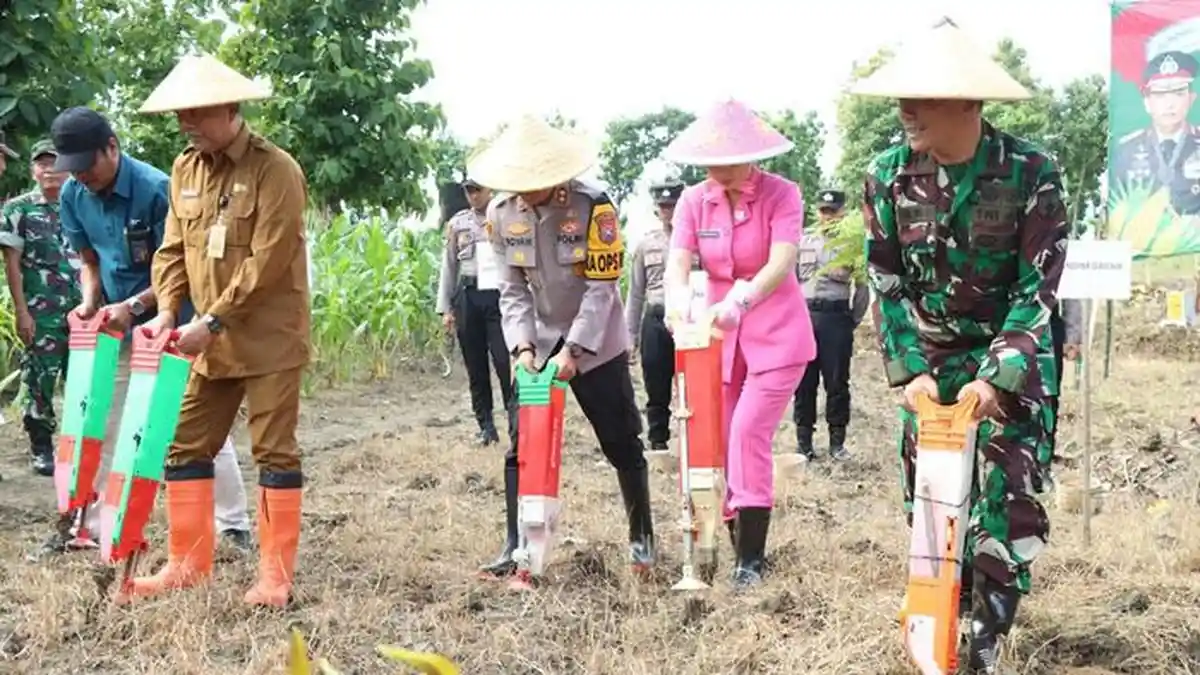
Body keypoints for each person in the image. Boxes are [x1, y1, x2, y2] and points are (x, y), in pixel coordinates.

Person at [852, 17, 1065, 673]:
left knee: (1004, 511)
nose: (906, 111)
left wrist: (995, 380)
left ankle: (984, 644)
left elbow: (1038, 288)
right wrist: (911, 373)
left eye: (924, 97)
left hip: (1011, 371)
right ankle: (938, 632)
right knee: (936, 512)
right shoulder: (885, 178)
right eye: (902, 97)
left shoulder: (1033, 173)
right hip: (933, 374)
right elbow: (886, 286)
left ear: (969, 102)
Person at [123, 52, 311, 607]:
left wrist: (213, 319)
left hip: (269, 337)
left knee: (273, 451)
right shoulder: (184, 169)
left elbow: (268, 260)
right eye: (180, 114)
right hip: (211, 338)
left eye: (196, 113)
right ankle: (187, 562)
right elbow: (173, 250)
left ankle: (275, 575)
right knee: (186, 443)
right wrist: (166, 311)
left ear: (229, 109)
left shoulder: (276, 169)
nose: (186, 123)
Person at [36, 106, 251, 560]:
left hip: (175, 325)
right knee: (105, 421)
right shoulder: (75, 193)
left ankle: (232, 526)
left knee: (194, 424)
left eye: (88, 165)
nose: (81, 178)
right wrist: (90, 303)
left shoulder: (156, 190)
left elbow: (182, 267)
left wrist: (135, 307)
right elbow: (89, 260)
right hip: (116, 326)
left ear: (111, 147)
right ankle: (90, 525)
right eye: (71, 169)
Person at [467, 114, 655, 580]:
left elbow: (601, 287)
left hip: (596, 343)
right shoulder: (500, 214)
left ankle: (642, 540)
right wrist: (522, 350)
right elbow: (511, 291)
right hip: (538, 340)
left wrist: (574, 351)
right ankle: (517, 547)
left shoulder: (594, 206)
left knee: (621, 441)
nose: (526, 192)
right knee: (522, 446)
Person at [661, 99, 814, 589]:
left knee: (748, 432)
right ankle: (726, 543)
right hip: (715, 337)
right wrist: (679, 299)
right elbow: (678, 259)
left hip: (776, 334)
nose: (716, 170)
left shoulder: (782, 194)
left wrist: (743, 298)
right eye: (709, 161)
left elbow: (782, 259)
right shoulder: (692, 200)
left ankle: (752, 560)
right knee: (718, 440)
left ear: (752, 154)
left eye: (726, 160)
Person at [0, 140, 80, 477]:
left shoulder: (81, 202)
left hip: (83, 312)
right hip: (40, 311)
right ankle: (42, 447)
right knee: (40, 380)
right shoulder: (19, 210)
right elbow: (12, 266)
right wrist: (22, 311)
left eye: (55, 162)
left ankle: (77, 448)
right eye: (41, 163)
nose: (49, 169)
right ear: (33, 169)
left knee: (81, 382)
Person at [792, 188, 869, 462]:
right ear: (817, 212)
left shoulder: (852, 244)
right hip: (804, 317)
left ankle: (837, 443)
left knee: (837, 382)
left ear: (842, 212)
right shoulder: (802, 241)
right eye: (823, 211)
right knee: (804, 381)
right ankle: (804, 443)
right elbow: (790, 282)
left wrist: (852, 320)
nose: (828, 216)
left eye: (833, 211)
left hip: (836, 319)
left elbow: (862, 288)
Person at [436, 177, 513, 445]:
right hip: (468, 295)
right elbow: (449, 266)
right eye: (469, 191)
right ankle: (486, 427)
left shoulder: (505, 216)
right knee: (475, 367)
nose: (473, 196)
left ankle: (516, 426)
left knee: (505, 363)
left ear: (490, 189)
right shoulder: (458, 223)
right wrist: (445, 307)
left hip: (499, 297)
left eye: (478, 190)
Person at [625, 179, 685, 452]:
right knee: (656, 382)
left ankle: (694, 441)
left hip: (688, 320)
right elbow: (635, 293)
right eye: (663, 206)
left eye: (672, 205)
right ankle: (658, 441)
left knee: (693, 385)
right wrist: (630, 336)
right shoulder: (646, 244)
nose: (668, 211)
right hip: (655, 318)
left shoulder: (696, 239)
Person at [1111, 50, 1200, 215]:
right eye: (1160, 95)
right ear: (1147, 102)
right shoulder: (1126, 150)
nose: (1170, 104)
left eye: (1178, 93)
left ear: (1191, 98)